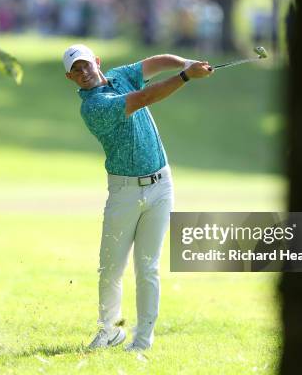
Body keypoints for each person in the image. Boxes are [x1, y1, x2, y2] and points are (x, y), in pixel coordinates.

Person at [63, 44, 213, 351]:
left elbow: (154, 63)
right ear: (70, 77)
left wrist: (185, 61)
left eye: (86, 65)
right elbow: (143, 98)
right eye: (76, 70)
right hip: (124, 192)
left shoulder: (121, 76)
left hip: (162, 185)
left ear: (97, 62)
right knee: (111, 268)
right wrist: (185, 76)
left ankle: (142, 342)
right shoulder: (92, 107)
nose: (83, 73)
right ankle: (109, 331)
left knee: (147, 266)